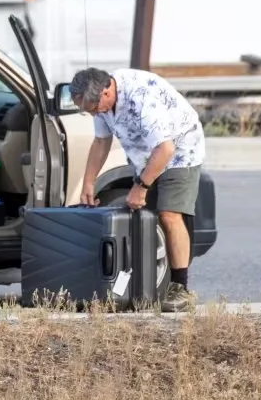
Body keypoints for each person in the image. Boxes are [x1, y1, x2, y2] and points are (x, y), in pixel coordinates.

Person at [69, 66, 205, 313]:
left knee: (169, 214)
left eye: (94, 108)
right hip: (146, 156)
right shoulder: (99, 101)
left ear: (107, 90)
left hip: (180, 151)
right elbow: (101, 141)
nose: (94, 114)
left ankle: (181, 289)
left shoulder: (142, 99)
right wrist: (88, 182)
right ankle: (144, 287)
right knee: (145, 220)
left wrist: (141, 187)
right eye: (89, 111)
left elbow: (165, 149)